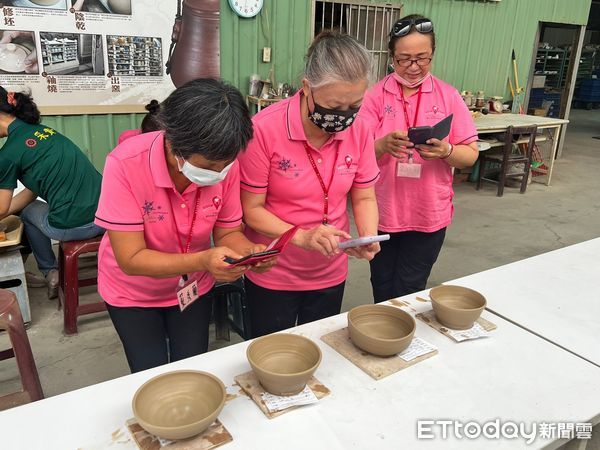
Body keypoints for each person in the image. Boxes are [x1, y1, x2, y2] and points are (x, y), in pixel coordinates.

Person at [95, 78, 276, 373]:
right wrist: (203, 259)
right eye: (207, 166)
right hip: (133, 294)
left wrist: (251, 253)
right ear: (173, 142)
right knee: (149, 373)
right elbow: (131, 259)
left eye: (225, 165)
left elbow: (228, 232)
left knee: (191, 368)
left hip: (193, 287)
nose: (219, 174)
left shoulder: (225, 164)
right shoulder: (125, 164)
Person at [238, 31, 381, 338]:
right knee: (273, 356)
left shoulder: (361, 128)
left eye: (353, 105)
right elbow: (252, 210)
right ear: (306, 88)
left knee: (320, 351)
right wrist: (301, 237)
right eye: (334, 105)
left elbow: (365, 195)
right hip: (274, 272)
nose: (343, 117)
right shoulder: (263, 130)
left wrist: (367, 235)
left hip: (330, 269)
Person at [359, 15, 479, 302]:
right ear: (391, 57)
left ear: (432, 54)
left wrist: (447, 151)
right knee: (382, 285)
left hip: (428, 216)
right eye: (404, 59)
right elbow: (354, 155)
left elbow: (470, 155)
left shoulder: (448, 96)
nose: (413, 67)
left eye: (422, 58)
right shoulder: (375, 97)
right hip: (383, 214)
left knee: (410, 289)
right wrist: (382, 145)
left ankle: (401, 338)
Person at [0, 87, 103, 298]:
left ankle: (50, 271)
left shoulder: (7, 154)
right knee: (26, 209)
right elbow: (31, 191)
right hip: (107, 215)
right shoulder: (46, 132)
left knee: (27, 215)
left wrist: (9, 215)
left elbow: (1, 208)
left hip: (74, 226)